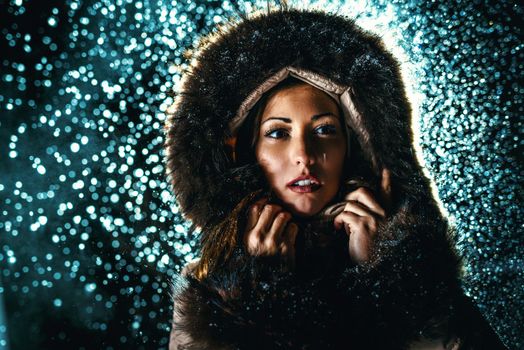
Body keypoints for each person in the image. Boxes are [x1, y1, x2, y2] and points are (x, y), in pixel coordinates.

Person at [164, 8, 504, 350]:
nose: (305, 155)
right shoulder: (207, 290)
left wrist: (391, 280)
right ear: (248, 154)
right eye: (278, 133)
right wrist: (257, 293)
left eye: (325, 130)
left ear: (353, 148)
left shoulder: (422, 280)